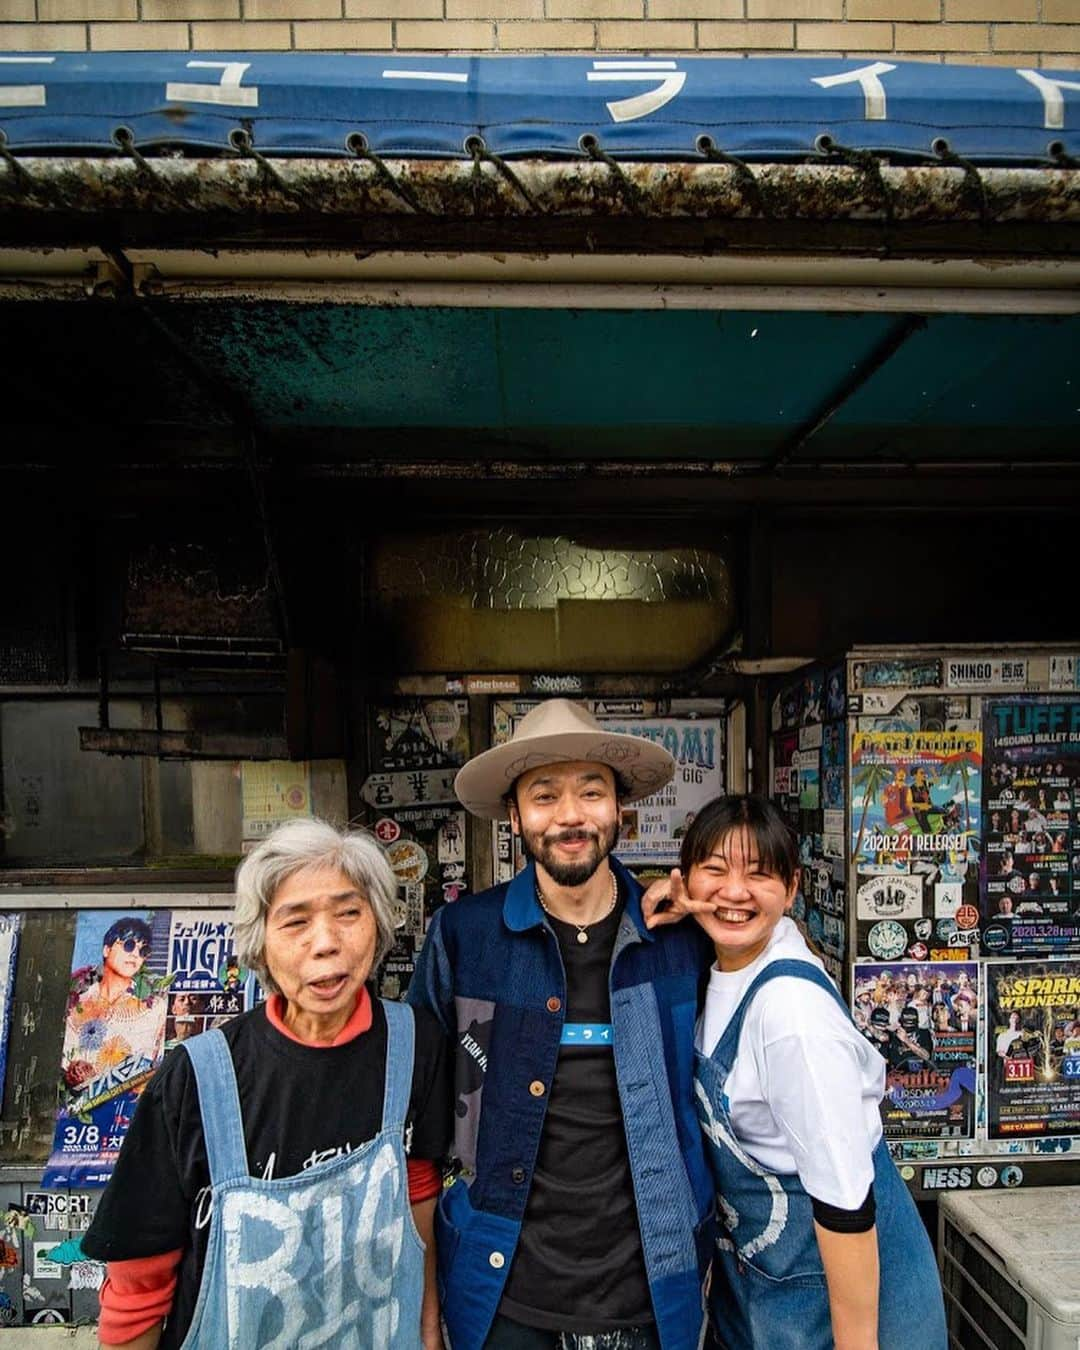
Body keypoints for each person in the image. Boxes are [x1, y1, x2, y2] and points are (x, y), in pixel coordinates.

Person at [408, 699, 713, 1350]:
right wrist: (426, 1307)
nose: (570, 815)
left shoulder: (680, 940)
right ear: (515, 815)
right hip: (500, 1298)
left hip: (654, 1289)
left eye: (591, 791)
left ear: (619, 808)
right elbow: (417, 1123)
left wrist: (711, 900)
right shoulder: (464, 937)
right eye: (544, 795)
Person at [82, 820, 450, 1350]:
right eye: (296, 922)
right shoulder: (195, 1079)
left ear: (378, 924)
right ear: (260, 944)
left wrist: (427, 1337)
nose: (326, 943)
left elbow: (418, 1207)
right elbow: (138, 1284)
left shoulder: (416, 1045)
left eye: (349, 913)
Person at [644, 795, 945, 1350]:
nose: (735, 892)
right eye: (715, 871)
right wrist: (686, 902)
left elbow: (846, 1205)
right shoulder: (725, 964)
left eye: (759, 875)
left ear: (793, 887)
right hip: (770, 1294)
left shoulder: (791, 1014)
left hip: (841, 1310)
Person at [63, 917, 164, 1093]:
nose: (135, 954)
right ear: (106, 949)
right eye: (129, 945)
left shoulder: (154, 1009)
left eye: (143, 951)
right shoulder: (76, 1002)